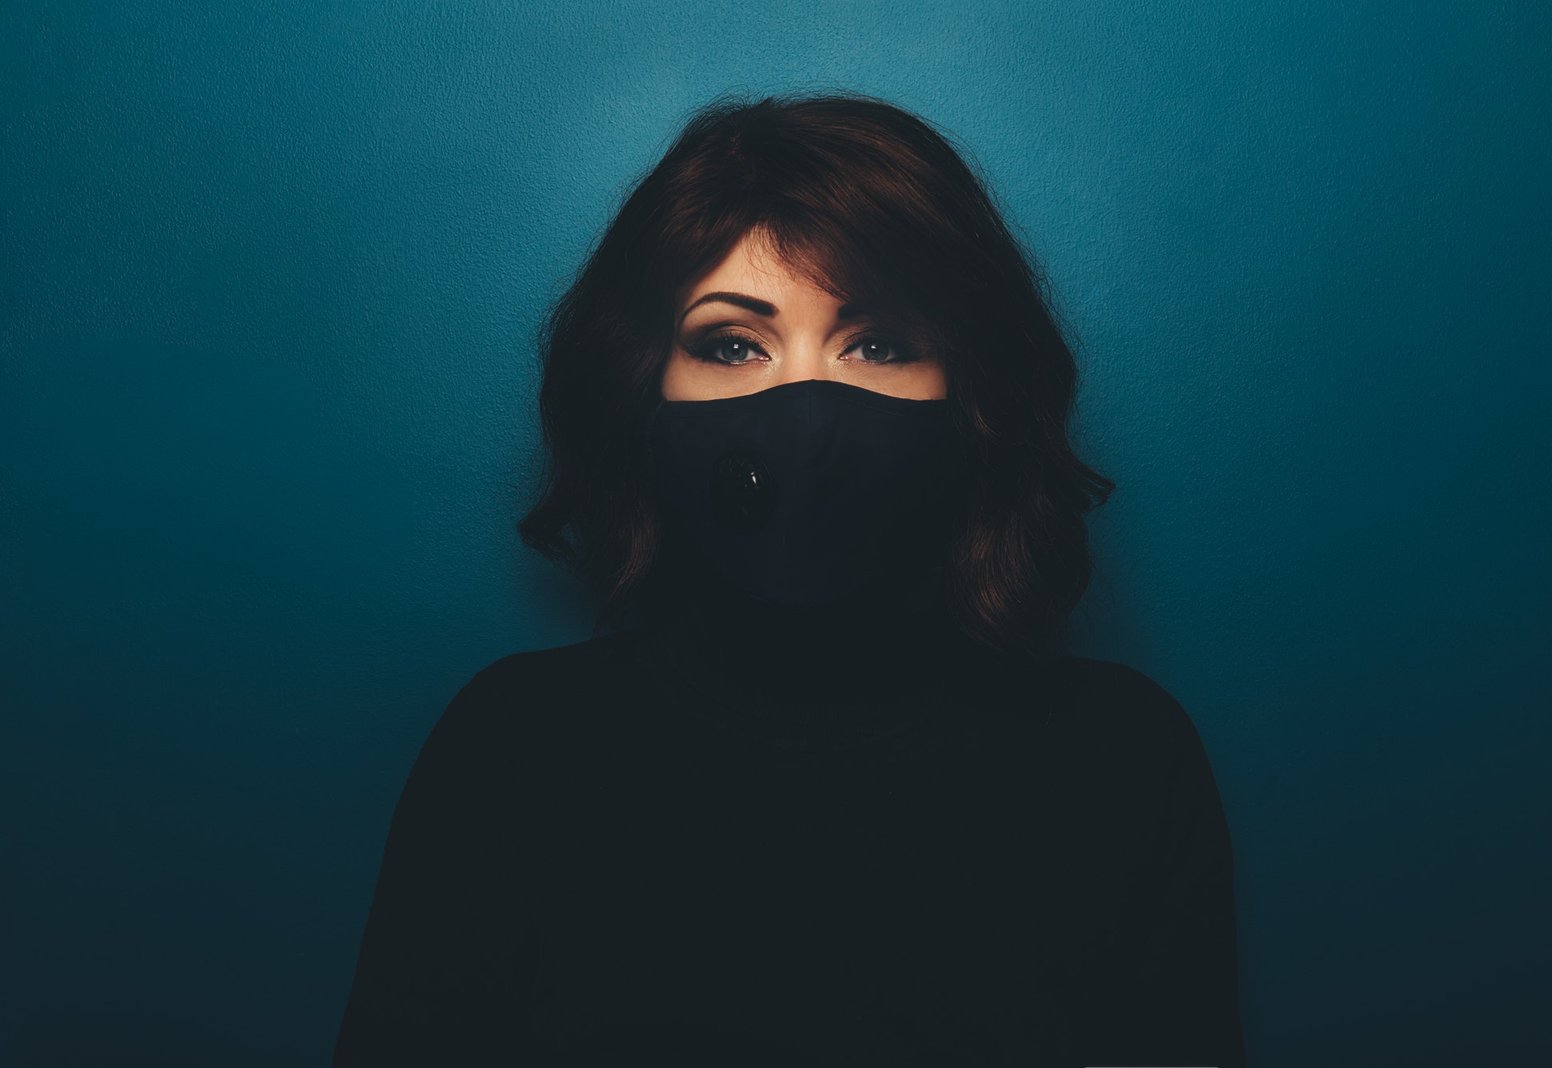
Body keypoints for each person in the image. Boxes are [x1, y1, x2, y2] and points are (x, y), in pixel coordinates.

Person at [332, 91, 1247, 1067]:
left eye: (876, 342)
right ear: (643, 391)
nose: (805, 411)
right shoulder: (513, 750)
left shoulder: (1120, 762)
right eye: (733, 344)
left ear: (970, 398)